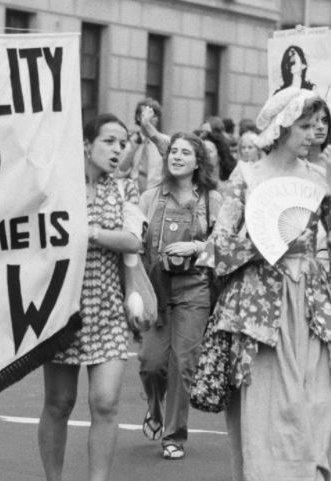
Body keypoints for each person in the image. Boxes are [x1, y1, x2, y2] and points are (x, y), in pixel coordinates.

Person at [205, 87, 331, 480]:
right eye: (305, 126)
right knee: (271, 412)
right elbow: (217, 249)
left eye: (319, 126)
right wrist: (264, 246)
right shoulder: (247, 175)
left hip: (312, 305)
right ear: (281, 127)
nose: (316, 134)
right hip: (260, 310)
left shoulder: (319, 177)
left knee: (315, 407)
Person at [38, 113, 143, 481]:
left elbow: (133, 240)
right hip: (62, 308)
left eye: (123, 142)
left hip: (109, 307)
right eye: (109, 141)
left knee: (106, 402)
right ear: (86, 144)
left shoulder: (126, 188)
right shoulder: (58, 185)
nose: (118, 149)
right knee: (59, 403)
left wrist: (88, 231)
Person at [137, 132, 222, 460]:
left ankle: (174, 436)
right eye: (173, 151)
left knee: (182, 364)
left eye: (185, 152)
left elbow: (226, 243)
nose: (177, 156)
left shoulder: (213, 199)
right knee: (150, 364)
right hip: (155, 288)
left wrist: (197, 246)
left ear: (198, 161)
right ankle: (154, 408)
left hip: (195, 289)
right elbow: (136, 242)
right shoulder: (150, 197)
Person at [119, 98, 170, 192]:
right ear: (138, 117)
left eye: (152, 115)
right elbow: (121, 170)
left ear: (157, 118)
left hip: (157, 194)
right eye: (144, 115)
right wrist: (132, 150)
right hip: (134, 194)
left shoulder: (166, 141)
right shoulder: (130, 141)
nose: (148, 119)